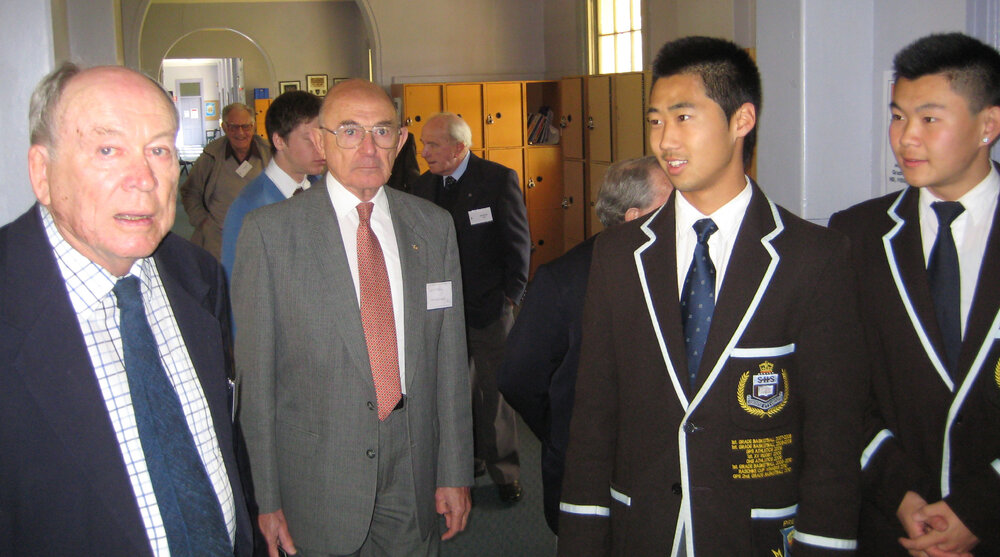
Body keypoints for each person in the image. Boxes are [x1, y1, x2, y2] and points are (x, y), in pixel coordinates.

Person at [557, 36, 865, 556]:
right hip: (643, 527)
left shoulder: (814, 257)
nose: (664, 140)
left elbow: (833, 431)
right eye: (655, 120)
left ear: (742, 120)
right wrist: (583, 539)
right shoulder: (618, 255)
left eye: (684, 117)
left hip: (753, 533)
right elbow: (593, 415)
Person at [0, 63, 253, 556]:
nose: (143, 179)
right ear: (42, 171)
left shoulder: (197, 276)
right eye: (108, 149)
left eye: (158, 149)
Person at [233, 79, 473, 557]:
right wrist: (266, 497)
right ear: (321, 141)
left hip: (413, 464)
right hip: (319, 474)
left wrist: (454, 470)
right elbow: (255, 380)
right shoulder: (270, 233)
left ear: (401, 142)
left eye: (382, 131)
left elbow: (450, 361)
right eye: (349, 130)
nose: (368, 147)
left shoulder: (433, 226)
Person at [829, 32, 1000, 557]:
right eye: (898, 116)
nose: (905, 138)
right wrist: (903, 496)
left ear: (988, 126)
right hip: (892, 525)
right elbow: (839, 386)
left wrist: (980, 506)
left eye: (929, 119)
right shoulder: (857, 235)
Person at [498, 155, 672, 534]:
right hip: (587, 472)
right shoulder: (563, 281)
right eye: (672, 203)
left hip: (661, 477)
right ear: (634, 217)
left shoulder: (684, 271)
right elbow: (517, 378)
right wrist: (563, 427)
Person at [411, 112, 531, 503]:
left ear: (460, 146)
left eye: (433, 144)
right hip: (441, 311)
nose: (424, 152)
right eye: (422, 144)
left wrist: (510, 297)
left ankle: (505, 472)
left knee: (495, 393)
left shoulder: (497, 179)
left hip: (489, 307)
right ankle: (468, 460)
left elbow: (518, 243)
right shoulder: (421, 186)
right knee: (452, 390)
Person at [221, 90, 325, 279]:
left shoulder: (323, 190)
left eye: (323, 138)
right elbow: (237, 290)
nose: (321, 149)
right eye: (310, 140)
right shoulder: (248, 208)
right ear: (279, 141)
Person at [181, 102, 271, 260]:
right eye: (233, 127)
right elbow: (190, 191)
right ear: (224, 127)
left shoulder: (269, 155)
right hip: (218, 241)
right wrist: (203, 222)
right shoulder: (211, 156)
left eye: (246, 126)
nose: (240, 133)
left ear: (254, 126)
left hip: (260, 238)